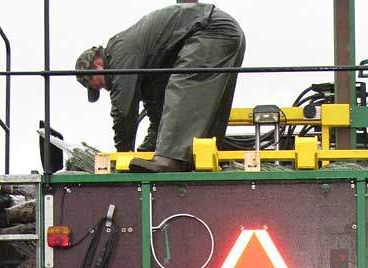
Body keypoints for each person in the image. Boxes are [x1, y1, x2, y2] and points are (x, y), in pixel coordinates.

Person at [75, 3, 245, 172]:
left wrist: (122, 157)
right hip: (224, 33)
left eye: (95, 84)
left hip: (212, 29)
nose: (103, 89)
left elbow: (124, 110)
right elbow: (160, 118)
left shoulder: (121, 52)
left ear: (97, 62)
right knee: (210, 105)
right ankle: (189, 159)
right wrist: (144, 154)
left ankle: (169, 161)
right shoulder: (147, 71)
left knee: (184, 84)